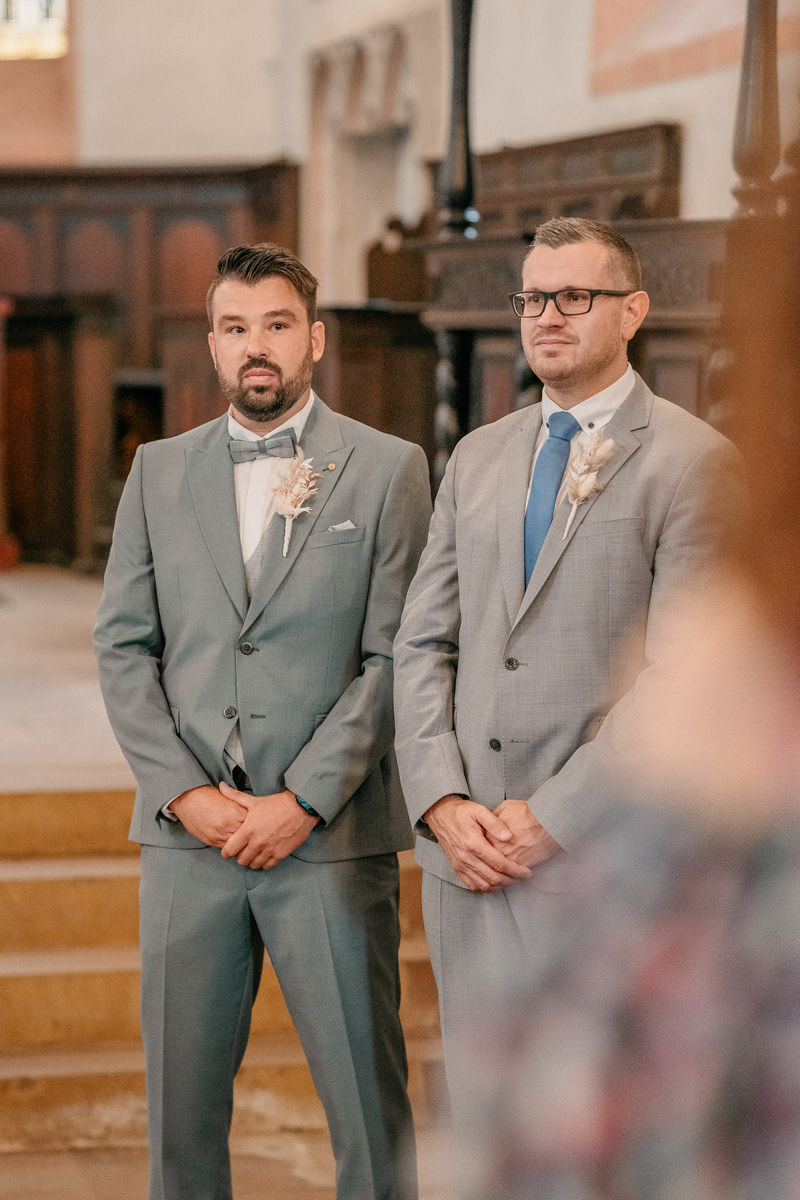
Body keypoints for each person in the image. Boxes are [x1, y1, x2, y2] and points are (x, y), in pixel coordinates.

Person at [93, 242, 432, 1200]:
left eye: (277, 326)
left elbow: (393, 657)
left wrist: (306, 799)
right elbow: (123, 646)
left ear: (314, 339)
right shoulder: (158, 472)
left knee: (369, 1108)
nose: (258, 347)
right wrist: (185, 794)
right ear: (211, 344)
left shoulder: (387, 468)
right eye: (237, 328)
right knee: (181, 1118)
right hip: (188, 841)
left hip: (326, 839)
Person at [392, 216, 744, 1120]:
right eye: (534, 298)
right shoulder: (477, 456)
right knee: (485, 1115)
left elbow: (679, 677)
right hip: (464, 854)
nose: (548, 316)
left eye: (574, 297)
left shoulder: (694, 463)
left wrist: (553, 817)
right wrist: (439, 799)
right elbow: (423, 640)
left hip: (598, 856)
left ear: (633, 311)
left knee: (594, 1120)